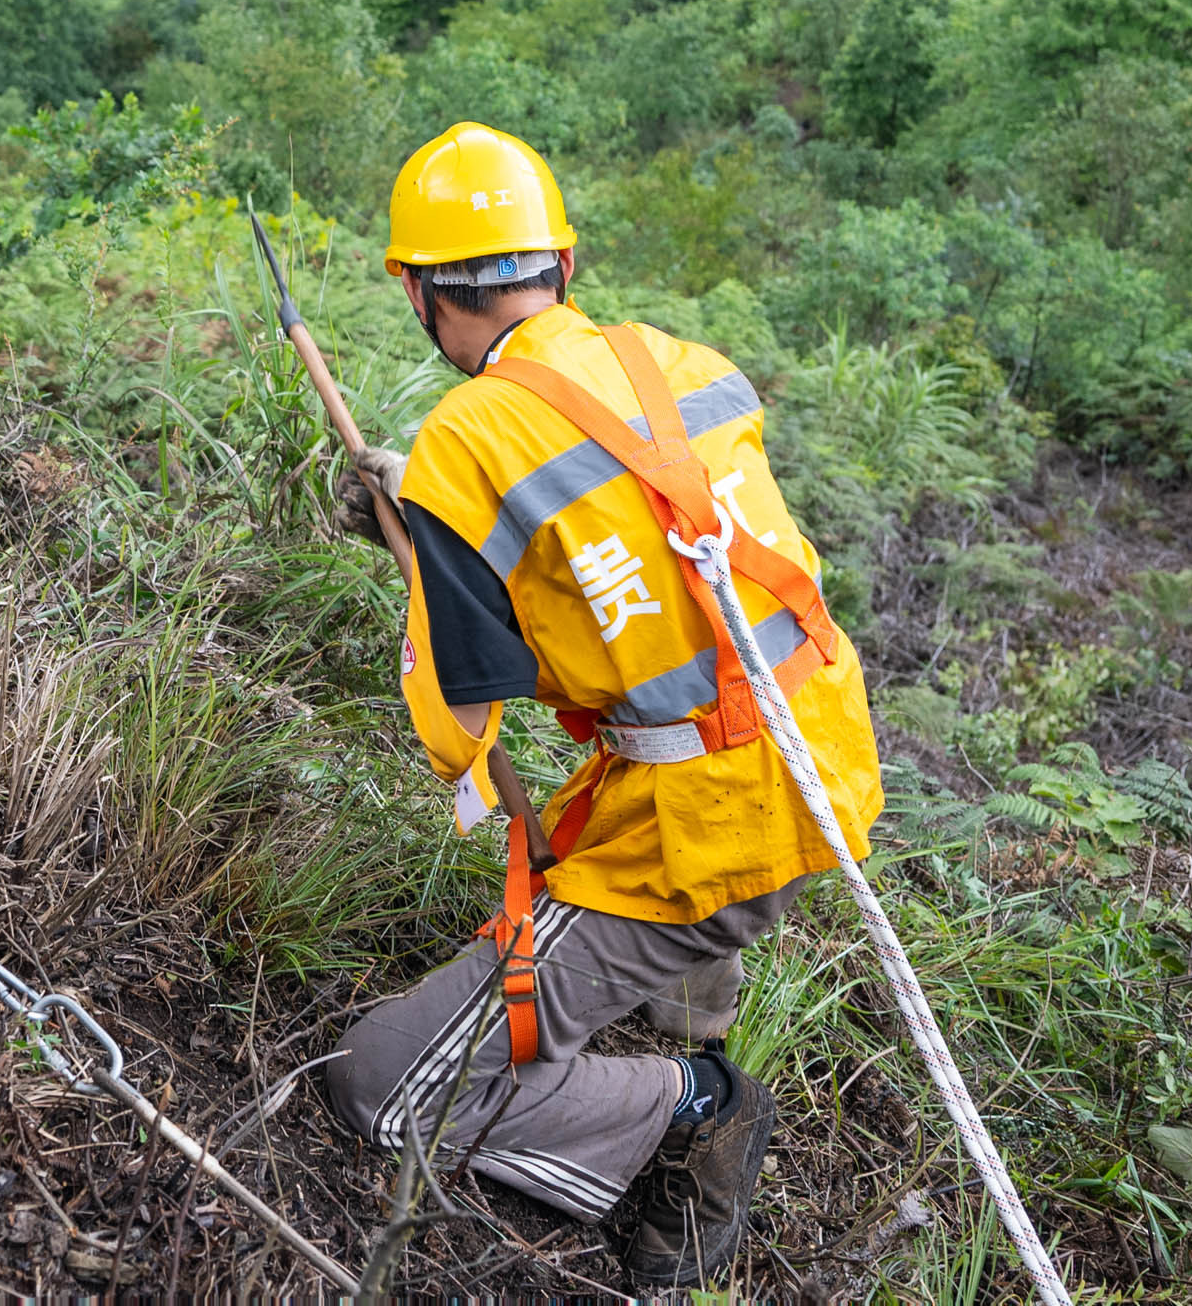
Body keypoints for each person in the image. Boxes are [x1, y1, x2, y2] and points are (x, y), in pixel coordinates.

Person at [321, 122, 883, 1281]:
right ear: (561, 266)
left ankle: (695, 1105)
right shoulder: (681, 361)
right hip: (813, 747)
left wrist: (433, 545)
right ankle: (682, 1013)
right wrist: (443, 535)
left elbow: (461, 714)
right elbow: (647, 591)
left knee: (384, 1085)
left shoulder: (466, 440)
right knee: (659, 812)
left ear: (421, 294)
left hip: (704, 817)